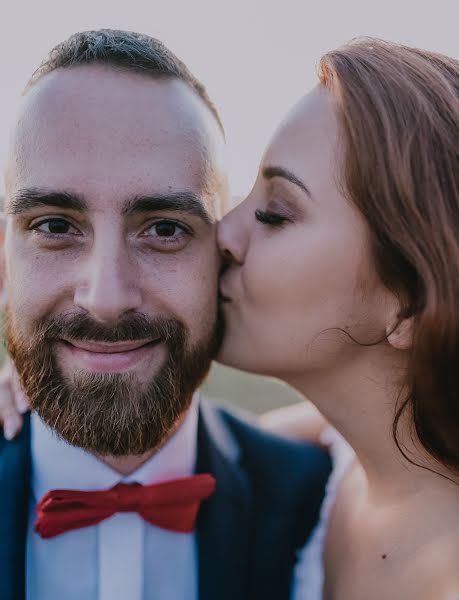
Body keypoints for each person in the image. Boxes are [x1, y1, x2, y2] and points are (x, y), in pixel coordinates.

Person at [0, 29, 331, 600]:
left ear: (223, 258)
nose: (106, 298)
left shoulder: (317, 500)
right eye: (55, 226)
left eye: (165, 229)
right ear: (5, 264)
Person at [216, 39, 459, 599]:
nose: (224, 232)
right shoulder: (349, 449)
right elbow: (214, 445)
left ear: (411, 302)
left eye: (275, 214)